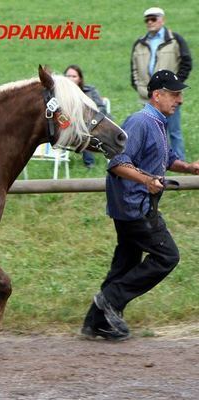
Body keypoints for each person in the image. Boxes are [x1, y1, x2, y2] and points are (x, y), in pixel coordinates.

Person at [82, 70, 199, 341]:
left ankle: (94, 324)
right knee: (167, 256)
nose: (180, 99)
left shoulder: (158, 123)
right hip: (136, 207)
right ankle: (109, 300)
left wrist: (189, 167)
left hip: (134, 205)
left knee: (126, 263)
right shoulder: (140, 122)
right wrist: (146, 181)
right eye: (175, 94)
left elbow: (166, 158)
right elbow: (118, 164)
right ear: (157, 96)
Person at [130, 7, 192, 160]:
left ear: (162, 19)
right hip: (148, 96)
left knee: (174, 131)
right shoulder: (139, 43)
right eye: (147, 20)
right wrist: (139, 86)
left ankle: (180, 163)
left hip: (170, 95)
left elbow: (186, 63)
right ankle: (155, 161)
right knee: (150, 130)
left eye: (153, 19)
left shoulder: (175, 40)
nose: (150, 22)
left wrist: (174, 85)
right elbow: (134, 68)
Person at [64, 65, 111, 169]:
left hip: (95, 123)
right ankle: (89, 164)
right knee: (83, 130)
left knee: (86, 129)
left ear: (80, 78)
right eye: (68, 76)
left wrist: (92, 118)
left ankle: (91, 164)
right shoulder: (62, 95)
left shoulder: (90, 90)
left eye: (74, 76)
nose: (70, 79)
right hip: (72, 127)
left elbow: (102, 108)